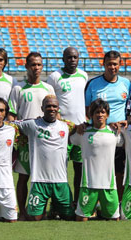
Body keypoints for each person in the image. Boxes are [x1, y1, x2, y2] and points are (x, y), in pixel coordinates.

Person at [7, 52, 55, 220]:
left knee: (46, 178)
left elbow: (54, 113)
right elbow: (11, 116)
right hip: (25, 142)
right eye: (33, 64)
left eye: (39, 65)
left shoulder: (48, 88)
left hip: (45, 142)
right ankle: (22, 211)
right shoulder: (18, 88)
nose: (36, 68)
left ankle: (42, 210)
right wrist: (17, 135)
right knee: (23, 177)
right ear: (26, 66)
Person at [17, 95, 75, 221]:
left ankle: (55, 207)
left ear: (58, 108)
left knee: (69, 216)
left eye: (54, 106)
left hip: (61, 181)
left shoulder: (67, 126)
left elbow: (83, 128)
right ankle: (44, 209)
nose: (51, 109)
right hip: (39, 181)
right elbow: (9, 124)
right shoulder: (32, 124)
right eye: (48, 106)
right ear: (42, 108)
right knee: (34, 218)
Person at [84, 50, 131, 199]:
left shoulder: (126, 83)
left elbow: (129, 108)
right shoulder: (93, 84)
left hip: (118, 135)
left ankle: (117, 202)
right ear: (103, 64)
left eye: (115, 64)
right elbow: (87, 110)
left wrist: (127, 121)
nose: (112, 67)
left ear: (120, 65)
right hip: (98, 134)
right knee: (96, 169)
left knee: (119, 171)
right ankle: (95, 202)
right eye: (109, 64)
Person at [47, 47, 88, 204]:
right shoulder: (55, 77)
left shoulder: (83, 76)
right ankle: (59, 205)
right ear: (63, 59)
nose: (72, 60)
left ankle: (77, 202)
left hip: (80, 132)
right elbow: (50, 101)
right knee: (59, 171)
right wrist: (63, 123)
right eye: (69, 57)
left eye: (75, 57)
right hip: (61, 132)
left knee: (79, 170)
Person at [72, 99, 121, 221]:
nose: (100, 115)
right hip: (88, 184)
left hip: (109, 185)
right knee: (81, 219)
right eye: (97, 112)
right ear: (91, 115)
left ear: (107, 115)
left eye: (103, 112)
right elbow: (69, 139)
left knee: (115, 219)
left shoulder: (115, 133)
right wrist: (76, 127)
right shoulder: (83, 132)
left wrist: (120, 124)